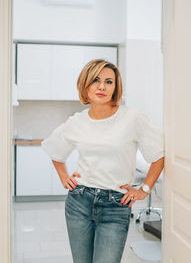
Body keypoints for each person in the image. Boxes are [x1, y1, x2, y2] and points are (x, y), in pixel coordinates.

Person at [41, 59, 164, 263]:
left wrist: (144, 189)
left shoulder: (132, 118)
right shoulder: (77, 121)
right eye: (96, 80)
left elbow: (159, 153)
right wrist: (64, 176)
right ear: (85, 84)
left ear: (115, 88)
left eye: (109, 82)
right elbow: (54, 150)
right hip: (79, 201)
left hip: (116, 205)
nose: (102, 86)